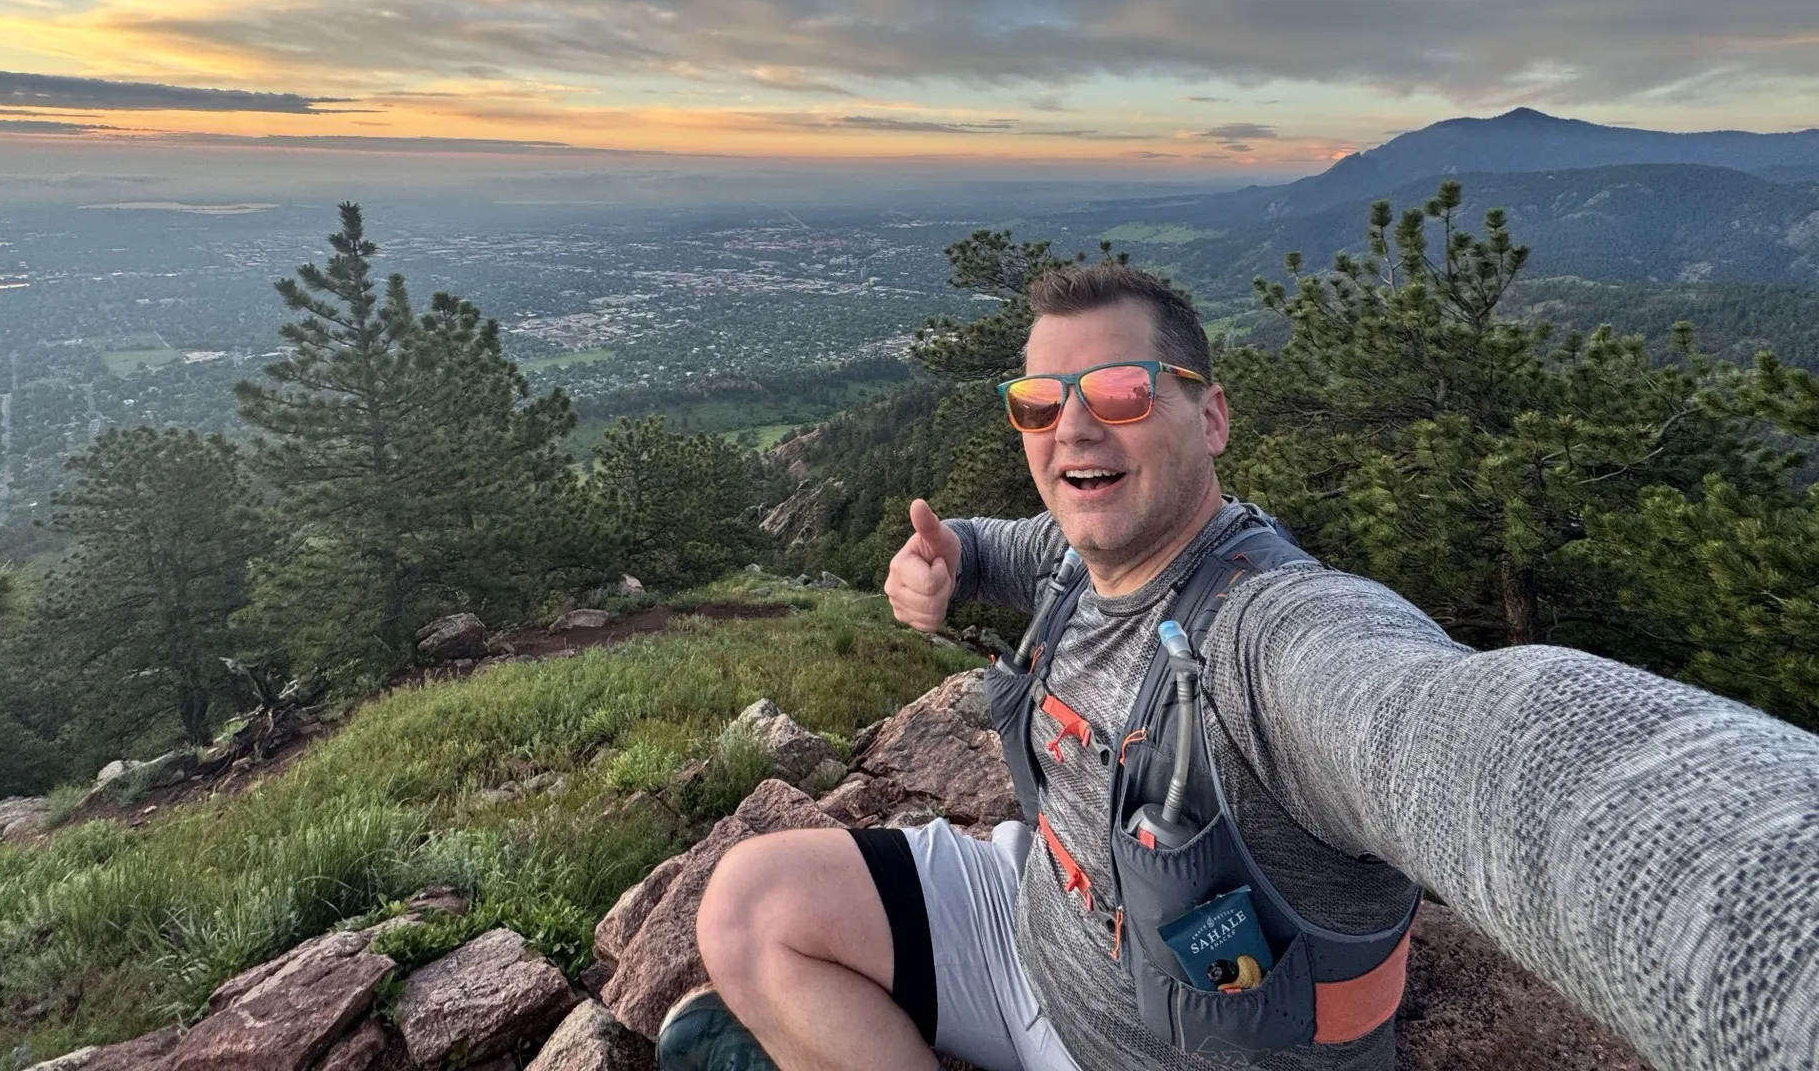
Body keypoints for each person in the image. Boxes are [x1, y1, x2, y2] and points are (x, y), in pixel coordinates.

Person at [659, 263, 1819, 1071]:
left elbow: (1478, 737)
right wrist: (943, 563)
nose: (1072, 431)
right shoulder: (1078, 553)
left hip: (1165, 1053)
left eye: (1121, 392)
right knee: (751, 905)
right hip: (1031, 926)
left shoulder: (1276, 637)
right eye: (1038, 404)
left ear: (1210, 418)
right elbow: (1000, 545)